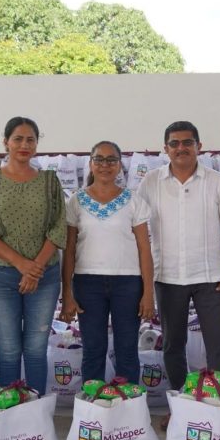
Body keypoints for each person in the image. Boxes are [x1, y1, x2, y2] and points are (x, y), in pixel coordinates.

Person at [137, 120, 220, 430]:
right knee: (172, 345)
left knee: (217, 345)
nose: (181, 148)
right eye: (174, 143)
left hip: (210, 277)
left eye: (187, 142)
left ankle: (219, 408)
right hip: (167, 277)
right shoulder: (151, 182)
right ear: (165, 148)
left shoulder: (216, 181)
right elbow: (138, 231)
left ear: (199, 146)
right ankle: (182, 406)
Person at [0, 117, 66, 395]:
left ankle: (35, 414)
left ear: (37, 144)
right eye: (18, 139)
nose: (24, 145)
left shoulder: (49, 181)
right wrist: (22, 264)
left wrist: (34, 268)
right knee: (9, 350)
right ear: (6, 142)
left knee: (36, 350)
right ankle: (9, 410)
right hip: (0, 275)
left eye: (30, 140)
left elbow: (58, 228)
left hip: (44, 276)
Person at [60, 141, 154, 382]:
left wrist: (148, 294)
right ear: (90, 164)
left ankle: (130, 407)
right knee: (93, 349)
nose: (105, 165)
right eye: (99, 159)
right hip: (87, 283)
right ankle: (94, 407)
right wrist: (67, 293)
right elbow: (69, 250)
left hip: (128, 284)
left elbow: (145, 249)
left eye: (111, 160)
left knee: (127, 350)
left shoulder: (134, 201)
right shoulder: (76, 201)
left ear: (120, 165)